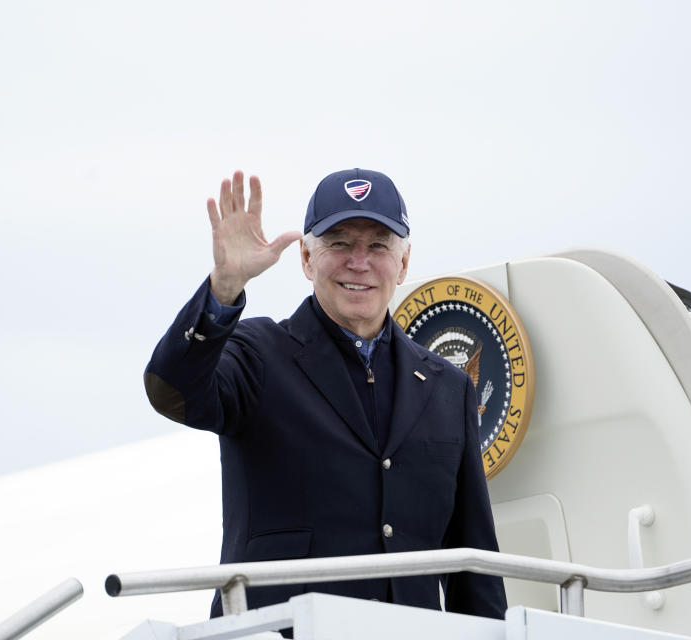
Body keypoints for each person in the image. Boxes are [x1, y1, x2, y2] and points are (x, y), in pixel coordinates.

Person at [144, 168, 507, 620]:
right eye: (339, 243)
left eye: (378, 245)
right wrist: (224, 288)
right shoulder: (258, 356)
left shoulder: (449, 388)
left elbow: (475, 562)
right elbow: (173, 391)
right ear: (307, 258)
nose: (359, 262)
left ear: (404, 262)